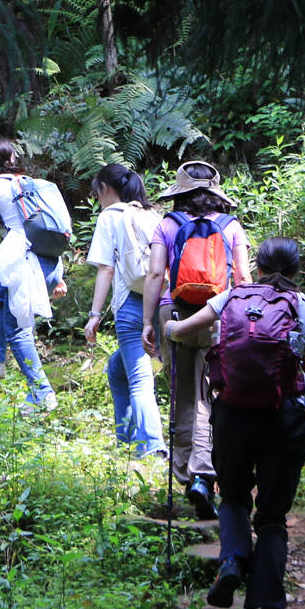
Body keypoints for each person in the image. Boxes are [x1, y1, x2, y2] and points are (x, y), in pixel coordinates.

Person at [164, 237, 305, 609]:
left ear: (258, 266)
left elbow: (181, 332)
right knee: (271, 515)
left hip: (232, 415)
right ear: (297, 268)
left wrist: (168, 327)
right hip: (283, 418)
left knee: (231, 495)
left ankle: (231, 559)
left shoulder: (231, 297)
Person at [140, 160, 251, 520]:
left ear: (180, 192)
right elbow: (245, 279)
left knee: (181, 393)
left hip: (173, 313)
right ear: (216, 193)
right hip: (218, 314)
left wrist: (147, 322)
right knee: (209, 394)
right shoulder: (231, 225)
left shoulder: (167, 224)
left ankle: (184, 474)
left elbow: (156, 273)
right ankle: (204, 475)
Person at [0, 138, 67, 414]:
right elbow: (46, 227)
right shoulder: (28, 184)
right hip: (50, 261)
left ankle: (42, 393)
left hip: (27, 263)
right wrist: (57, 276)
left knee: (18, 331)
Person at [82, 164, 168, 460]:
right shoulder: (152, 214)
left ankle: (152, 445)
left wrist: (95, 314)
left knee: (139, 376)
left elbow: (106, 268)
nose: (98, 199)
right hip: (162, 301)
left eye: (97, 193)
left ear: (105, 189)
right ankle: (126, 442)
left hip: (132, 304)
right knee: (117, 370)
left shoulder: (111, 216)